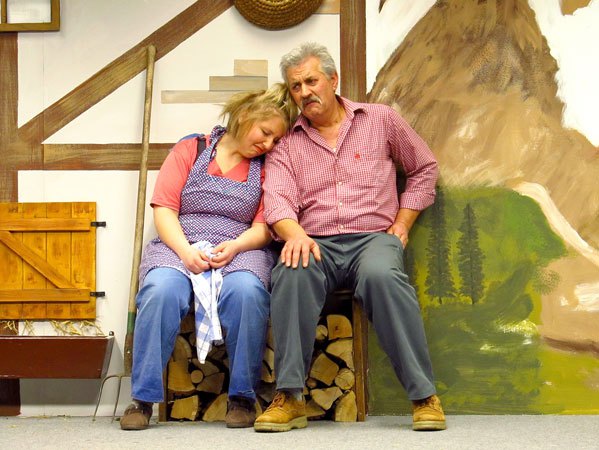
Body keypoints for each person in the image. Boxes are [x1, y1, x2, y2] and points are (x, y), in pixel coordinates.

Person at [254, 42, 446, 432]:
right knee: (291, 271)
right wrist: (295, 235)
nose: (305, 92)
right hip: (314, 240)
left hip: (373, 238)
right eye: (296, 86)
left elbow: (425, 168)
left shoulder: (380, 119)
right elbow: (277, 199)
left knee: (382, 276)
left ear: (333, 79)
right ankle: (290, 397)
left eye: (311, 81)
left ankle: (424, 397)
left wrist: (403, 222)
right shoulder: (286, 142)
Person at [120, 83, 296, 431]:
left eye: (276, 139)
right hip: (180, 242)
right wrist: (185, 251)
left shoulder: (268, 167)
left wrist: (236, 246)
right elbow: (165, 209)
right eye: (265, 133)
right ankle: (142, 399)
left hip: (241, 246)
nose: (268, 144)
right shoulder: (191, 149)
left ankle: (242, 397)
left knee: (247, 293)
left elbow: (265, 226)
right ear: (244, 116)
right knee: (160, 291)